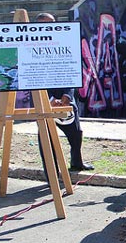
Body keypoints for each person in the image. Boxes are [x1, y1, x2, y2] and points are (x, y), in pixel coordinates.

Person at [35, 12, 94, 173]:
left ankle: (77, 162)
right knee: (46, 139)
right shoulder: (30, 48)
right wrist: (50, 99)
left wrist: (67, 96)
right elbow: (31, 79)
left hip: (66, 101)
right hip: (45, 103)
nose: (51, 27)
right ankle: (51, 173)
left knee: (76, 134)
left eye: (52, 23)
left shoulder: (63, 43)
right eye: (46, 25)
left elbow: (71, 72)